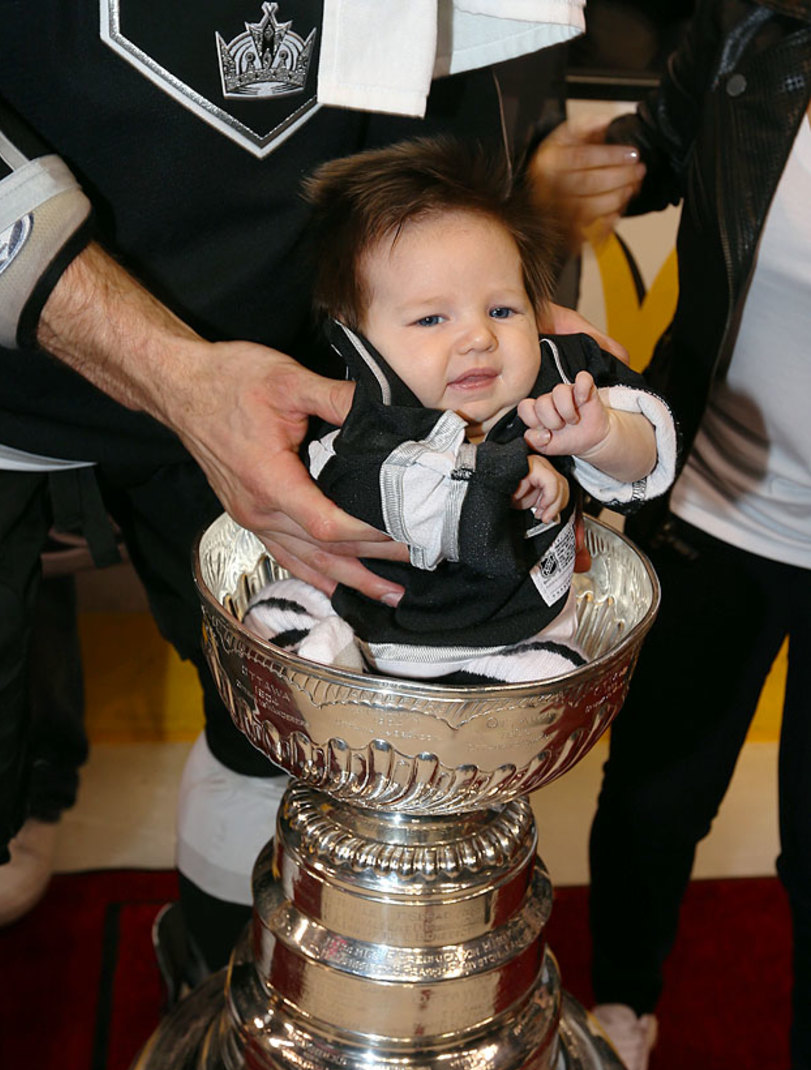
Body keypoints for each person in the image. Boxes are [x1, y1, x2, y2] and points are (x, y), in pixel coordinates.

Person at [0, 3, 597, 984]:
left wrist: (479, 301)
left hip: (263, 366)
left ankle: (213, 999)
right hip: (3, 354)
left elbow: (413, 92)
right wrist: (167, 369)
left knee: (284, 717)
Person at [530, 2, 811, 1070]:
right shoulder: (756, 31)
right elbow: (641, 156)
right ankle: (623, 1017)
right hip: (718, 500)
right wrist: (554, 178)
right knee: (651, 799)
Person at [244, 138, 677, 684]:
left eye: (502, 309)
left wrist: (603, 436)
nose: (478, 337)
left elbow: (650, 455)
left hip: (516, 628)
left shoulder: (559, 381)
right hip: (366, 612)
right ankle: (337, 666)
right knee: (270, 616)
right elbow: (412, 496)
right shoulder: (362, 422)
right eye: (431, 320)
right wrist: (502, 477)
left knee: (549, 673)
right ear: (359, 345)